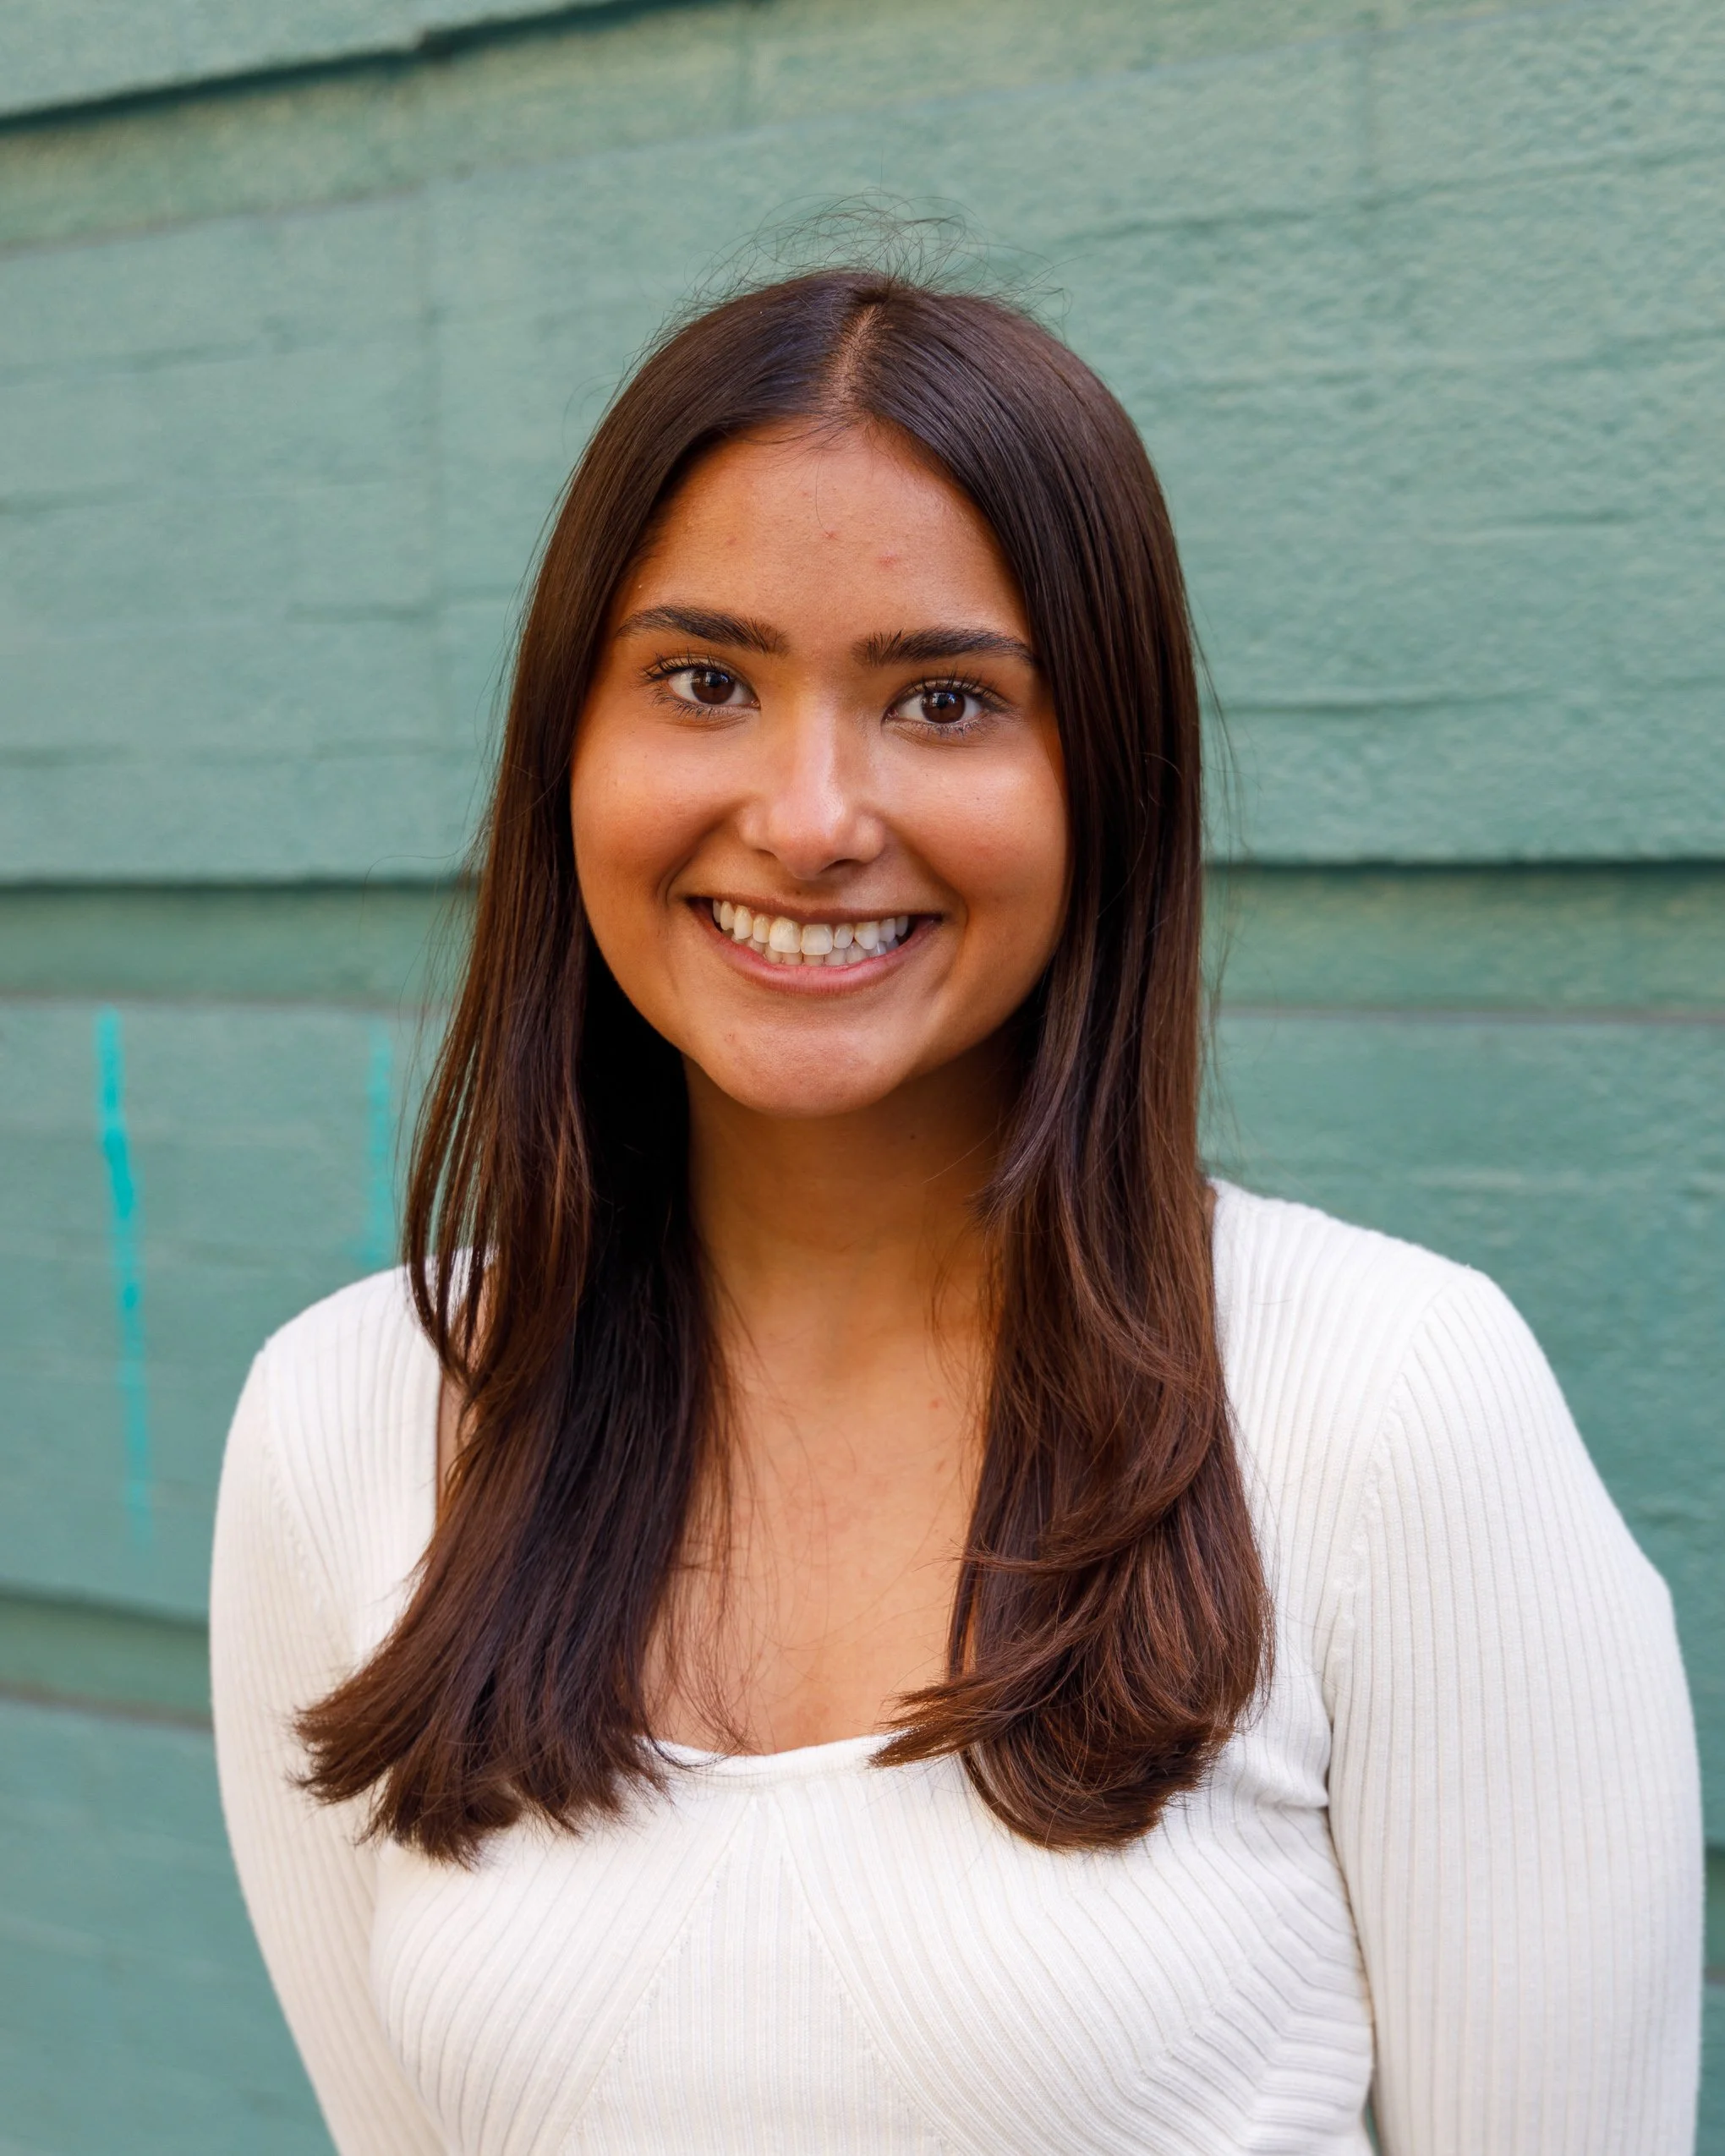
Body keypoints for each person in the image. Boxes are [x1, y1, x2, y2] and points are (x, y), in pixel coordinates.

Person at [211, 267, 1701, 2156]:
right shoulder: (344, 1424)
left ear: (1108, 788)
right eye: (704, 681)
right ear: (562, 750)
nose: (815, 814)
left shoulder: (1388, 1407)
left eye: (943, 698)